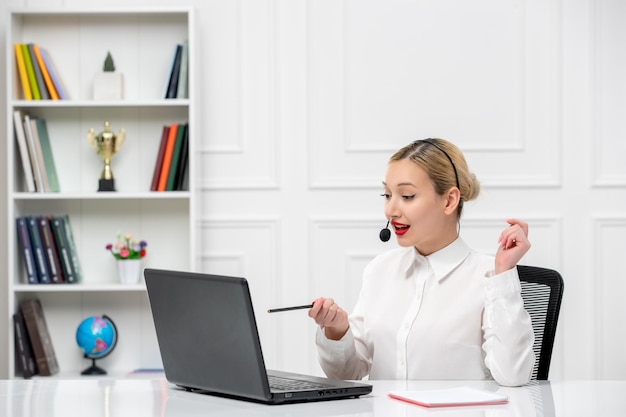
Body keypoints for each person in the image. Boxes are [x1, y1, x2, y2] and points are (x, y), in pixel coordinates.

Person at [308, 138, 535, 387]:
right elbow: (346, 375)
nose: (390, 210)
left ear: (449, 201)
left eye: (407, 196)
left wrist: (503, 275)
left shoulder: (488, 277)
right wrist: (338, 331)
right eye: (387, 195)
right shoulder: (379, 270)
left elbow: (513, 375)